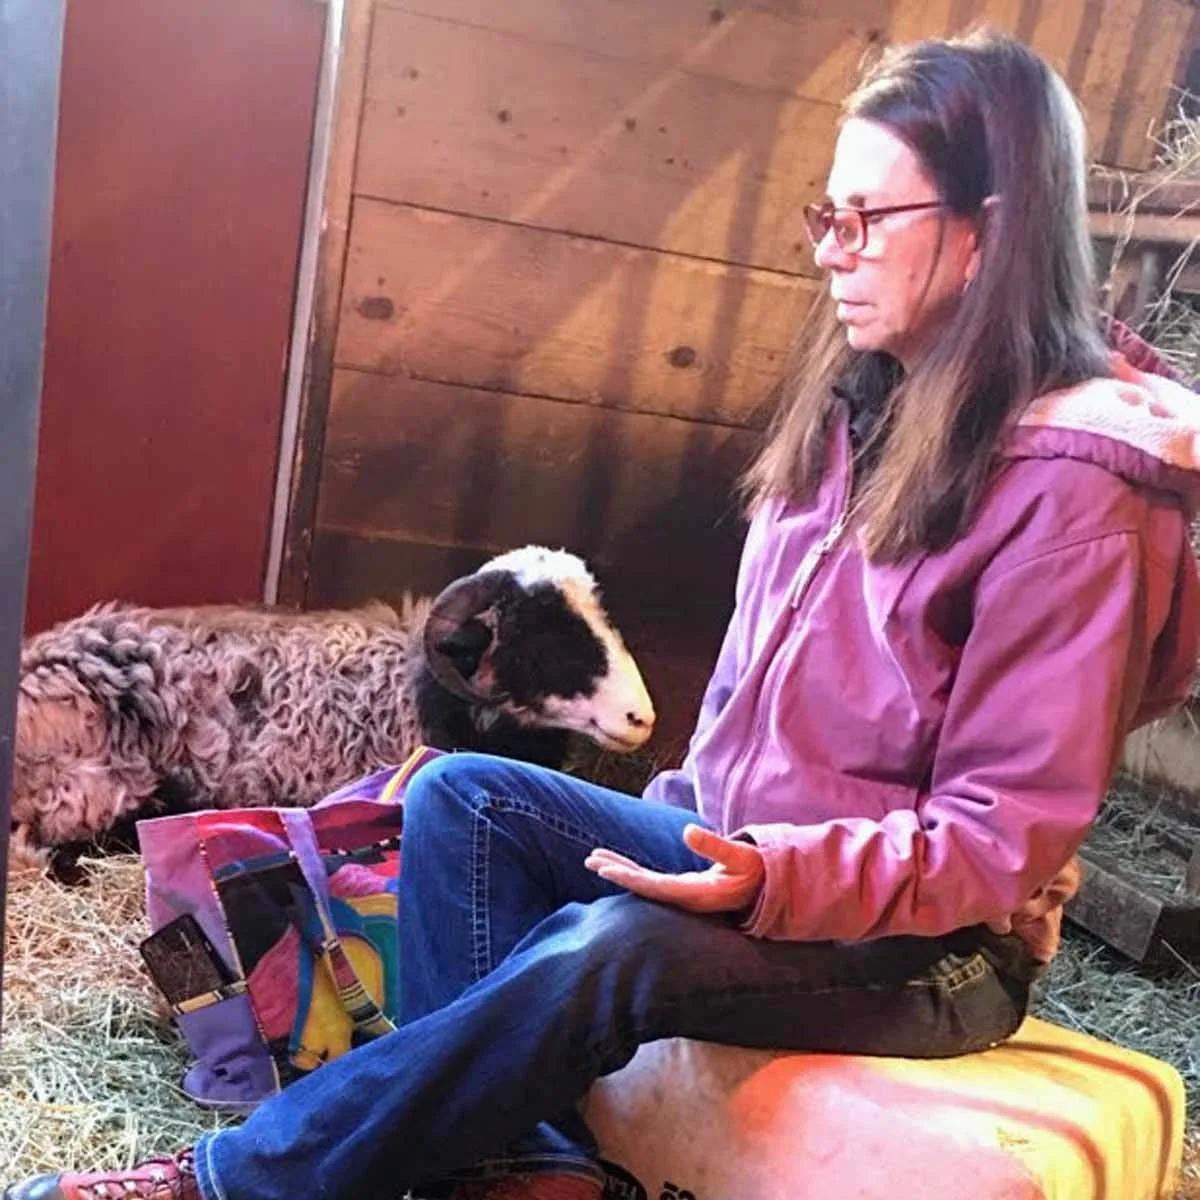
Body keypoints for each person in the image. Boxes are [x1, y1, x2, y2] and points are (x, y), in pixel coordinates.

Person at [9, 28, 1200, 1200]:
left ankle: (228, 1183)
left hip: (926, 946)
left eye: (867, 220)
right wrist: (670, 835)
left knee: (605, 953)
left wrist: (761, 884)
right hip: (746, 858)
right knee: (458, 795)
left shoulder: (1073, 493)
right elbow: (742, 706)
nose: (832, 253)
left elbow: (994, 846)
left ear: (990, 232)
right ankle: (528, 1168)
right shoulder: (858, 408)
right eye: (821, 216)